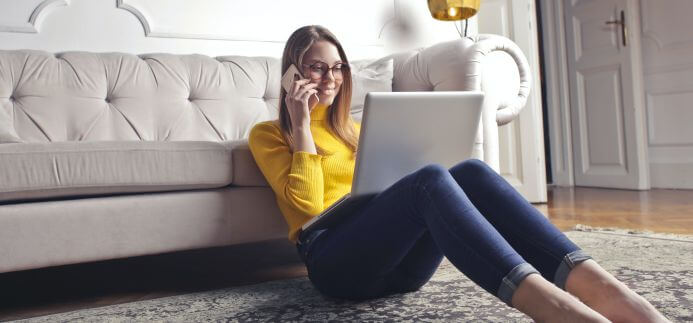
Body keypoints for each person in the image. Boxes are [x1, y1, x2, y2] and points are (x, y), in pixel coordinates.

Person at [248, 25, 669, 323]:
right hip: (335, 264)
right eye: (318, 67)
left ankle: (607, 291)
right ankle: (554, 310)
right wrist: (302, 125)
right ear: (293, 73)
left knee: (467, 170)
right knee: (429, 179)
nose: (331, 78)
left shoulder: (358, 131)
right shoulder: (269, 135)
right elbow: (308, 204)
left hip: (401, 270)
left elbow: (390, 192)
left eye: (338, 68)